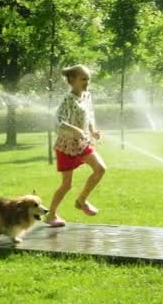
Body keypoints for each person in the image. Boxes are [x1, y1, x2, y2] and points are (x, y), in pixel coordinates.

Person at [45, 65, 107, 227]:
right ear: (72, 81)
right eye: (83, 79)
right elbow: (59, 122)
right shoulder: (68, 99)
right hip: (66, 145)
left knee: (100, 169)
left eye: (88, 79)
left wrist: (93, 131)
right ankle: (51, 215)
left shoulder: (87, 96)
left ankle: (81, 200)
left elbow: (90, 115)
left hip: (82, 143)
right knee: (66, 185)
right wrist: (76, 130)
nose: (86, 82)